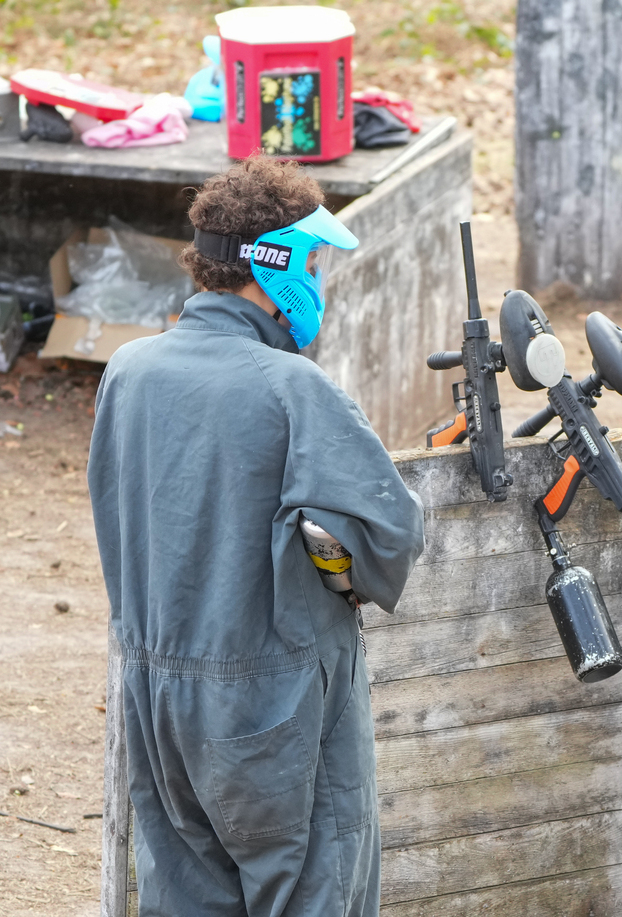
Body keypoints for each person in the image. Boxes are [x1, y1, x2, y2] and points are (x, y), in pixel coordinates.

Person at [87, 157, 425, 917]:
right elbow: (389, 539)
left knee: (185, 896)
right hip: (272, 705)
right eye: (313, 261)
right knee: (311, 894)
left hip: (157, 700)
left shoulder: (128, 371)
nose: (319, 279)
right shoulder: (291, 387)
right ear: (272, 265)